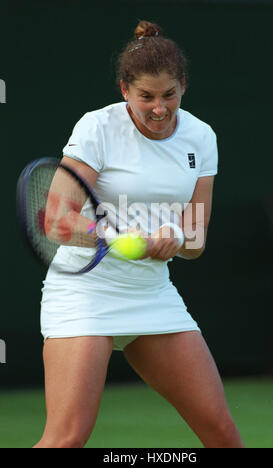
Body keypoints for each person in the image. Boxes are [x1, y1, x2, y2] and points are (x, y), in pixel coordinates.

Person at [34, 20, 245, 449]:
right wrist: (117, 238)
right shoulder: (97, 128)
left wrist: (175, 238)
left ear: (183, 85)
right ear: (124, 89)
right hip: (86, 294)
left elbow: (196, 238)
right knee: (67, 438)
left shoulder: (201, 137)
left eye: (169, 95)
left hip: (152, 295)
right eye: (146, 96)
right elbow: (57, 220)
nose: (160, 108)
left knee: (222, 433)